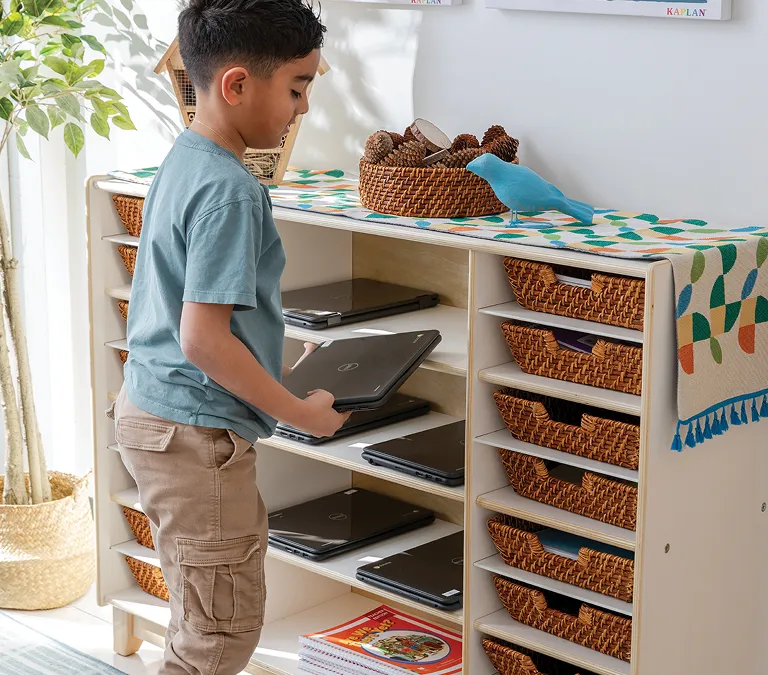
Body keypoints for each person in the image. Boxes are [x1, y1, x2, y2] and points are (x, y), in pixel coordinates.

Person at [108, 1, 349, 673]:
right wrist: (296, 409)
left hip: (155, 415)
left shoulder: (185, 160)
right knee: (220, 636)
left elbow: (190, 307)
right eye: (297, 88)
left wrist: (269, 354)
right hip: (195, 437)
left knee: (198, 616)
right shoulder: (233, 191)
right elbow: (204, 342)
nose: (302, 108)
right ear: (236, 84)